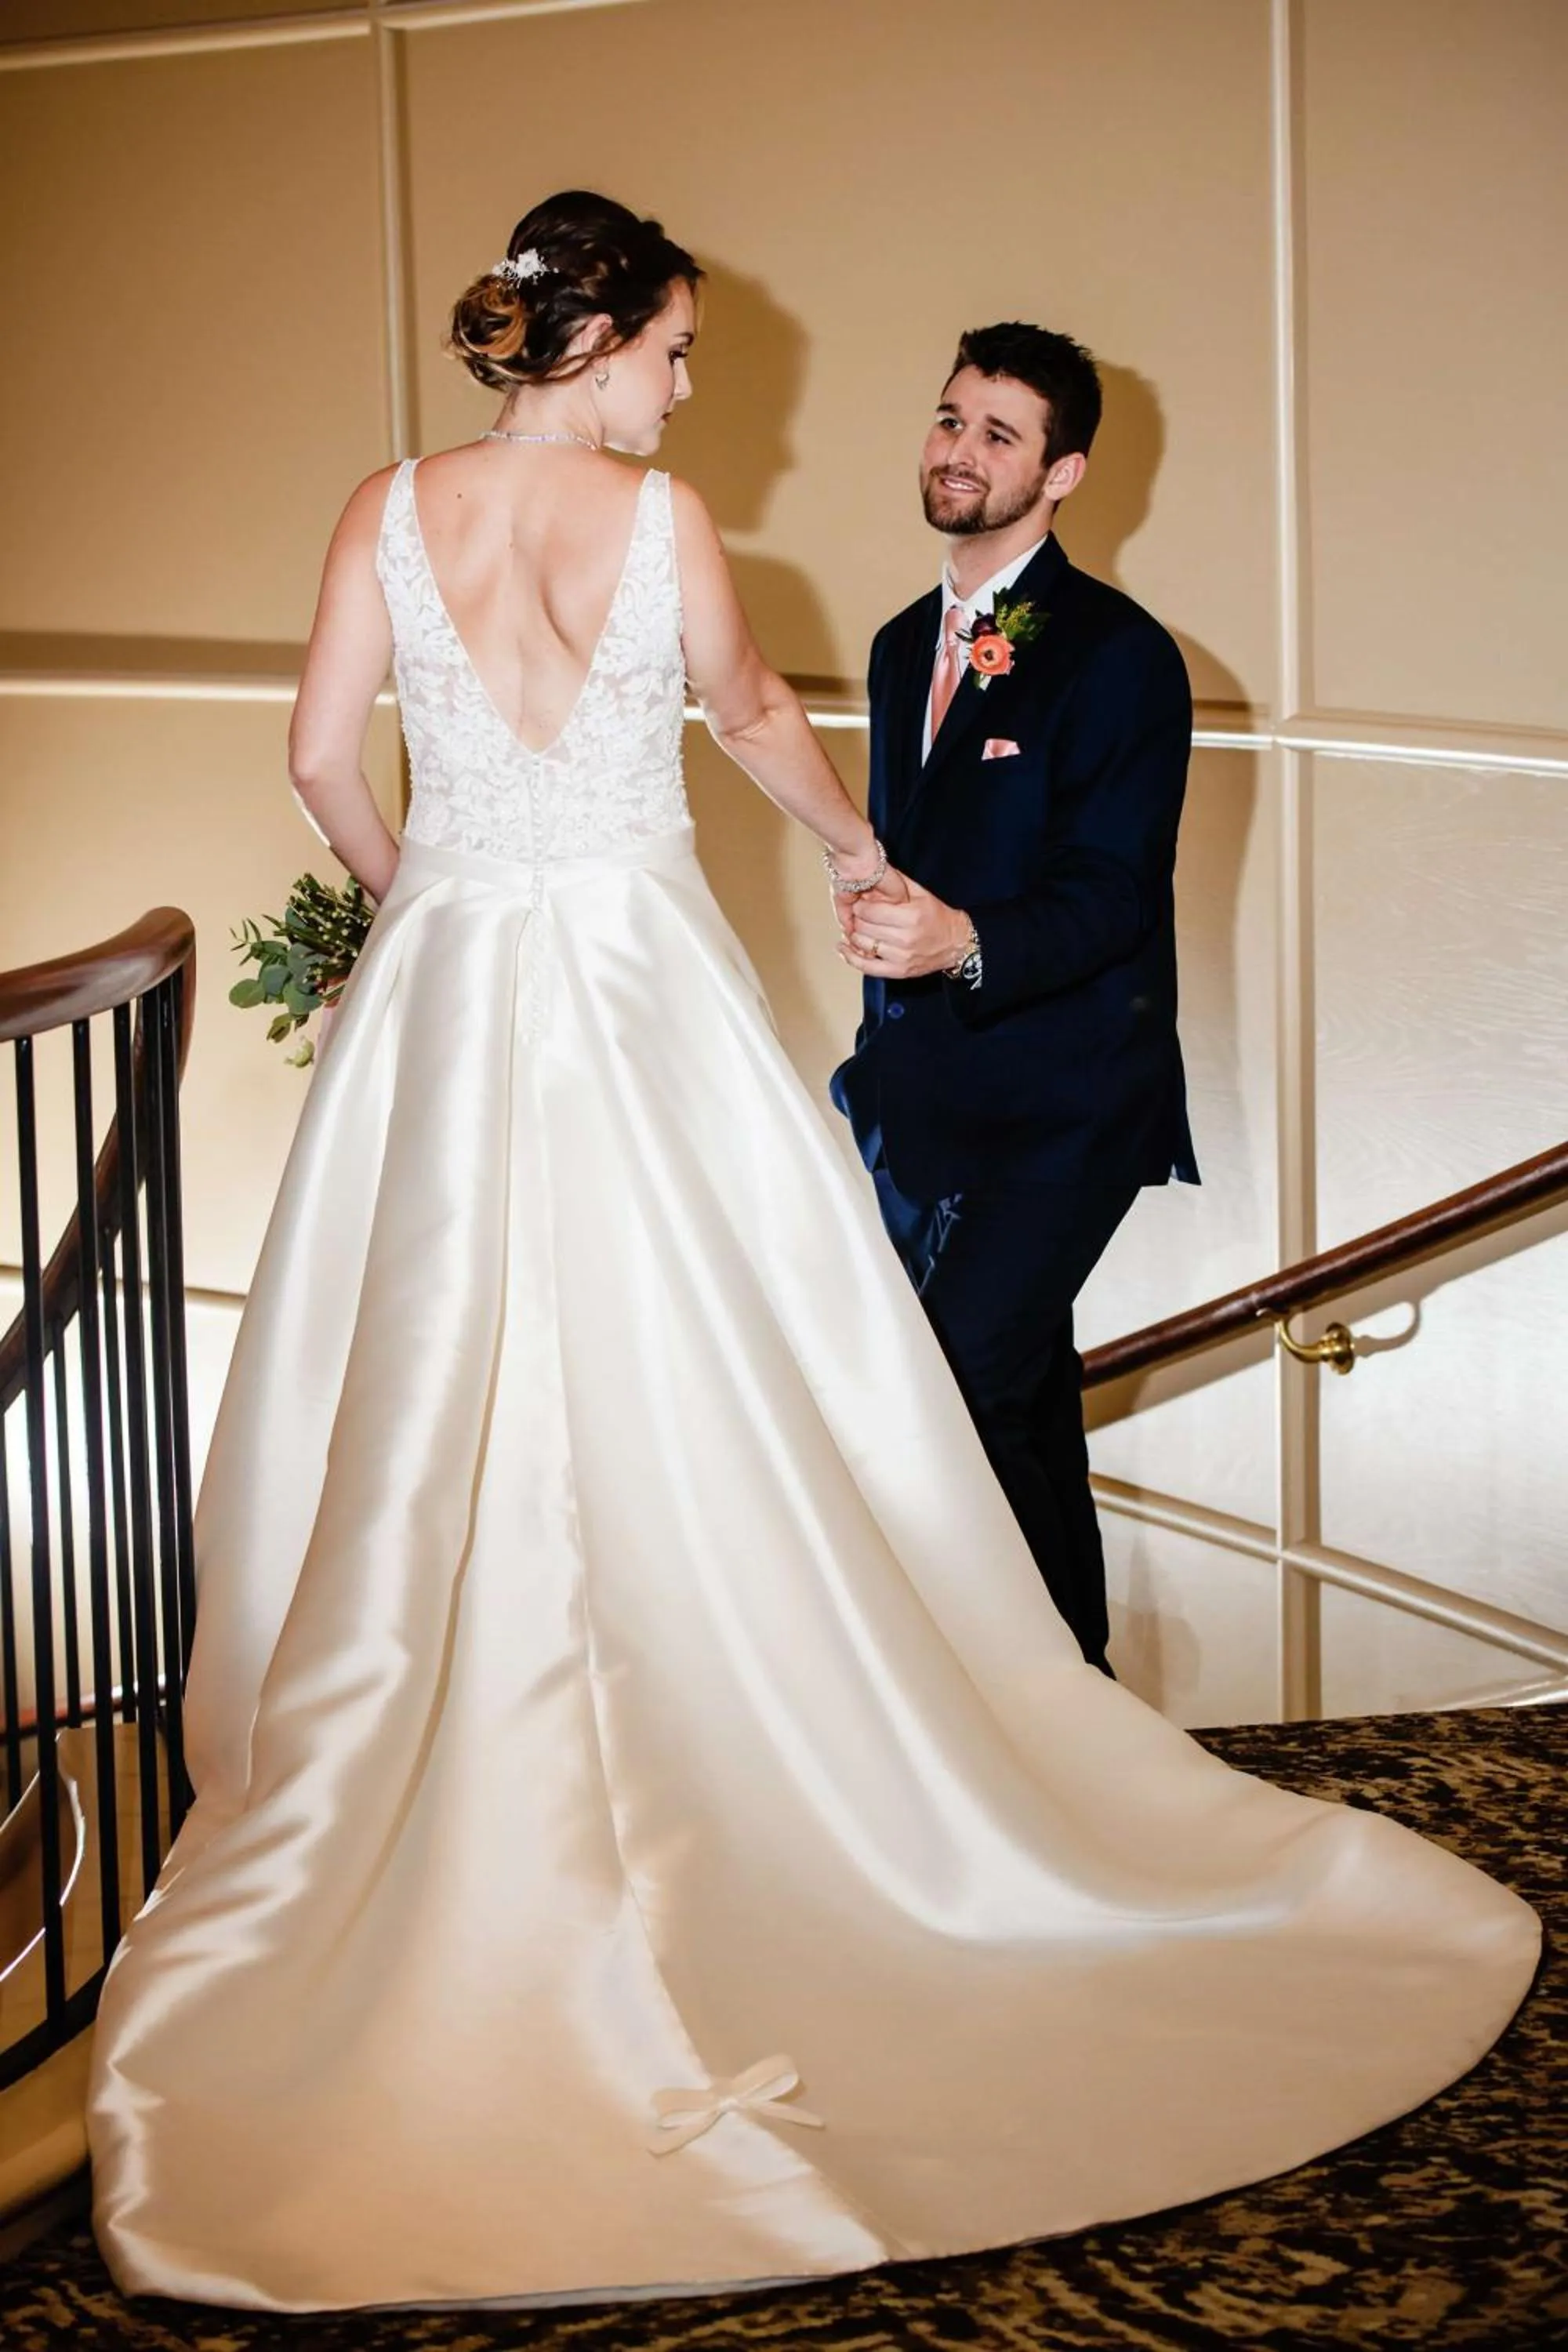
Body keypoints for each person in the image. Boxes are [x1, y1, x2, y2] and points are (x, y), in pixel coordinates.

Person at [86, 192, 1537, 2314]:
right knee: (720, 1367)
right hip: (628, 988)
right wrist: (863, 847)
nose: (691, 384)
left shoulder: (379, 507)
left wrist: (428, 899)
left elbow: (320, 757)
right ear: (603, 347)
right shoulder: (657, 518)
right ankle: (769, 1766)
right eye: (676, 348)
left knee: (430, 1379)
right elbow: (755, 713)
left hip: (462, 987)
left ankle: (414, 1799)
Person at [832, 324, 1196, 1673]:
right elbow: (916, 849)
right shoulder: (890, 647)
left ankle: (1021, 1700)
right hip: (925, 1094)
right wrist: (883, 919)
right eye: (948, 419)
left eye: (999, 434)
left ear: (1064, 474)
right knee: (1023, 1404)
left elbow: (1113, 896)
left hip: (1069, 1105)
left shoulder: (1120, 656)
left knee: (955, 1388)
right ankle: (1081, 1702)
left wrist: (963, 940)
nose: (958, 451)